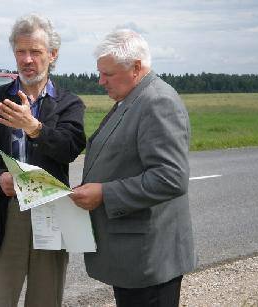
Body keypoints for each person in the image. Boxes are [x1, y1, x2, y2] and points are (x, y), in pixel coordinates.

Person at [0, 13, 86, 307]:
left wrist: (34, 128)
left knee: (45, 300)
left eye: (36, 52)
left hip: (51, 215)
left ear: (52, 55)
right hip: (2, 217)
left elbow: (70, 147)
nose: (27, 59)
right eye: (21, 51)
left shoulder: (68, 104)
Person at [70, 29, 196, 307]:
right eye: (100, 73)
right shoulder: (133, 97)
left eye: (108, 74)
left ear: (136, 67)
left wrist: (104, 193)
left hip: (150, 259)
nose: (101, 81)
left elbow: (171, 178)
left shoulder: (157, 101)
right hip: (134, 256)